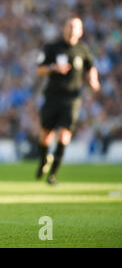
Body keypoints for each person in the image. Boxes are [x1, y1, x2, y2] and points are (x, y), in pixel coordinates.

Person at [35, 17, 100, 185]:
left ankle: (53, 174)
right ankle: (44, 159)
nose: (72, 29)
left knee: (64, 135)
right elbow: (39, 70)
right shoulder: (52, 48)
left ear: (81, 31)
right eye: (69, 26)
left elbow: (91, 68)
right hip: (52, 96)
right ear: (64, 28)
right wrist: (52, 68)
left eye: (75, 27)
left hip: (72, 99)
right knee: (45, 135)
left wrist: (93, 80)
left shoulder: (82, 50)